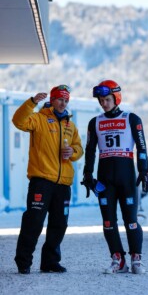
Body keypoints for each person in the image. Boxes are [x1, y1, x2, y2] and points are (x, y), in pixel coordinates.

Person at [82, 80, 148, 274]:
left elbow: (142, 147)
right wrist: (87, 173)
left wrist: (144, 170)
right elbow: (90, 150)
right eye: (100, 100)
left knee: (131, 220)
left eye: (107, 99)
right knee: (108, 221)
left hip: (127, 176)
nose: (103, 103)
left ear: (116, 97)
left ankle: (136, 258)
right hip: (105, 179)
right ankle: (118, 259)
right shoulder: (94, 122)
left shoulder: (132, 119)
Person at [12, 85, 83, 274]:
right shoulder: (39, 118)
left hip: (63, 183)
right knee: (33, 221)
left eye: (66, 100)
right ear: (52, 99)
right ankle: (24, 261)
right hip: (42, 180)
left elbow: (79, 148)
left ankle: (50, 262)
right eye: (60, 99)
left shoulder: (70, 125)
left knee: (59, 224)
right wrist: (32, 102)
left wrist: (73, 152)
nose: (63, 103)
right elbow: (18, 121)